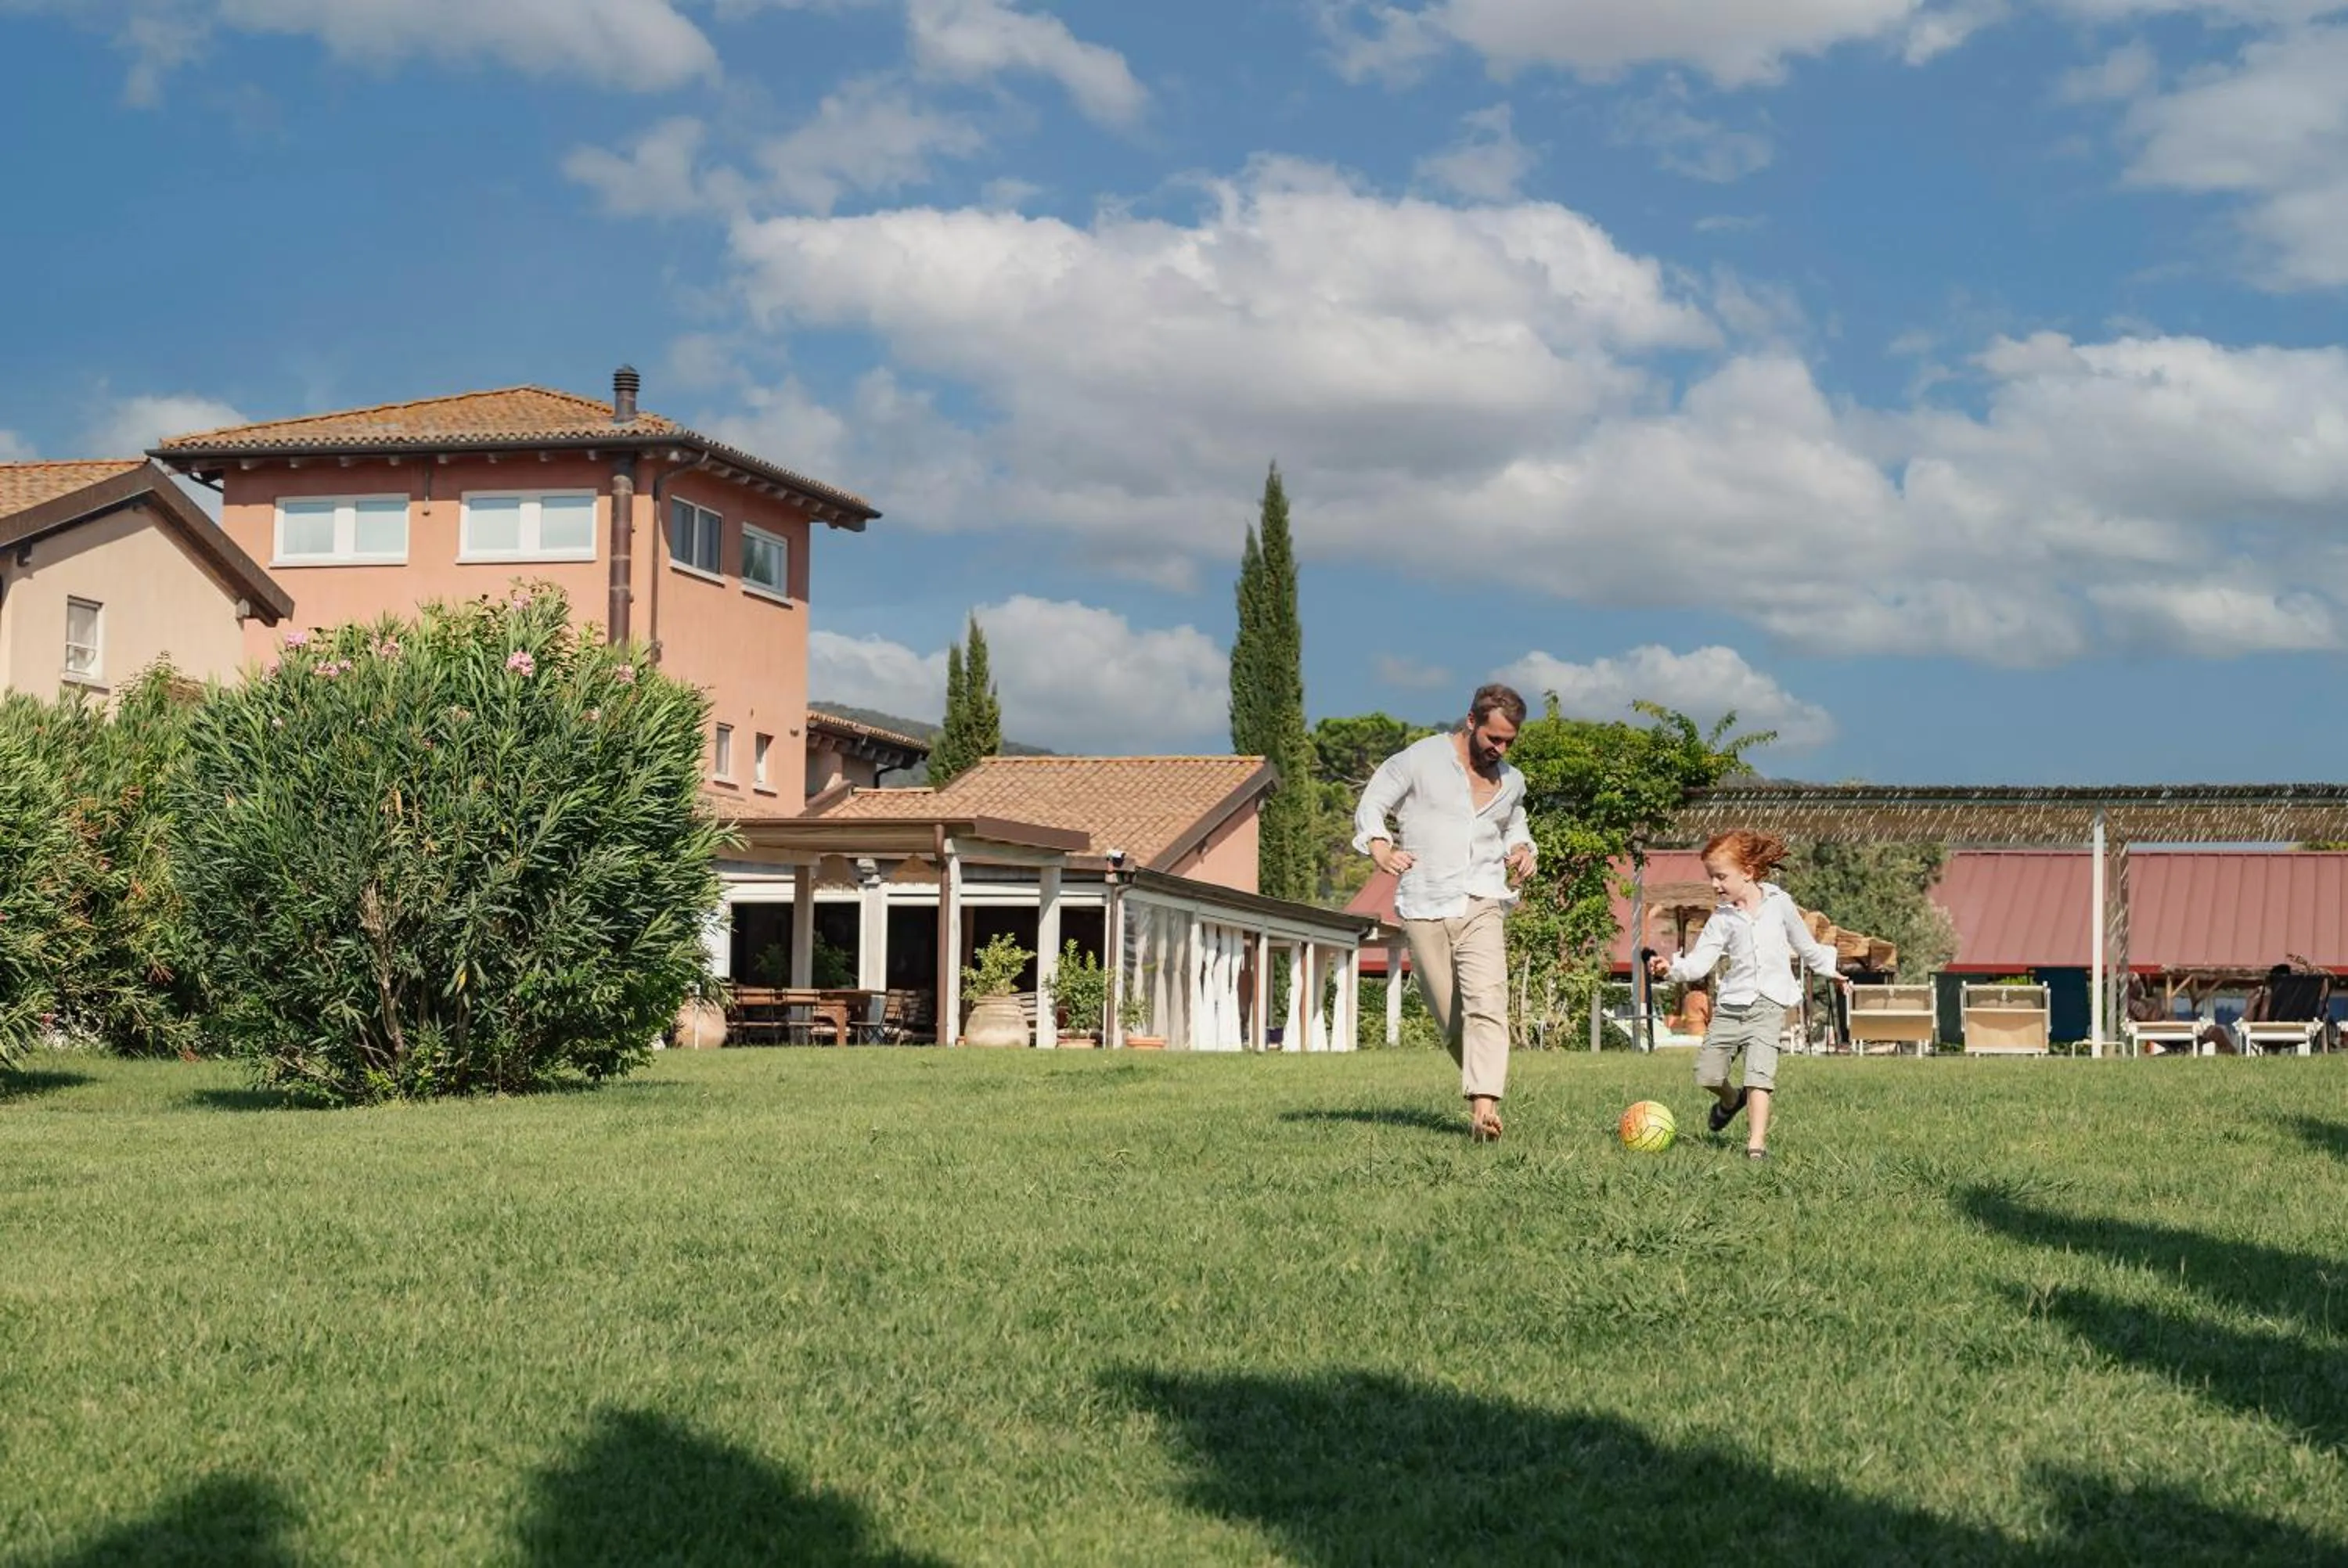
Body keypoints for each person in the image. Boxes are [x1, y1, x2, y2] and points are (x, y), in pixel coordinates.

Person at [1353, 685, 1536, 1142]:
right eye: (1494, 739)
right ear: (1471, 722)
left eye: (1510, 742)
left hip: (1483, 898)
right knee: (1451, 1020)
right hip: (1425, 903)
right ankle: (1479, 1085)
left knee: (1487, 1005)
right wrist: (1379, 844)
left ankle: (1483, 1110)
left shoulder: (1511, 781)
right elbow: (1374, 802)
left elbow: (1516, 823)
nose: (1501, 749)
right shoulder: (1420, 759)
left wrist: (1522, 847)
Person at [1648, 830, 1846, 1160]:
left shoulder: (1779, 904)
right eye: (1712, 878)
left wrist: (1832, 970)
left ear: (1748, 873)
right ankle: (1730, 1100)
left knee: (1759, 1075)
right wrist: (1671, 969)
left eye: (1721, 877)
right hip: (1731, 1006)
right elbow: (1699, 963)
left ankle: (1756, 1146)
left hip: (1769, 1004)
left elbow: (1805, 945)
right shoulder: (1722, 919)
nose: (1714, 885)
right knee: (1708, 1074)